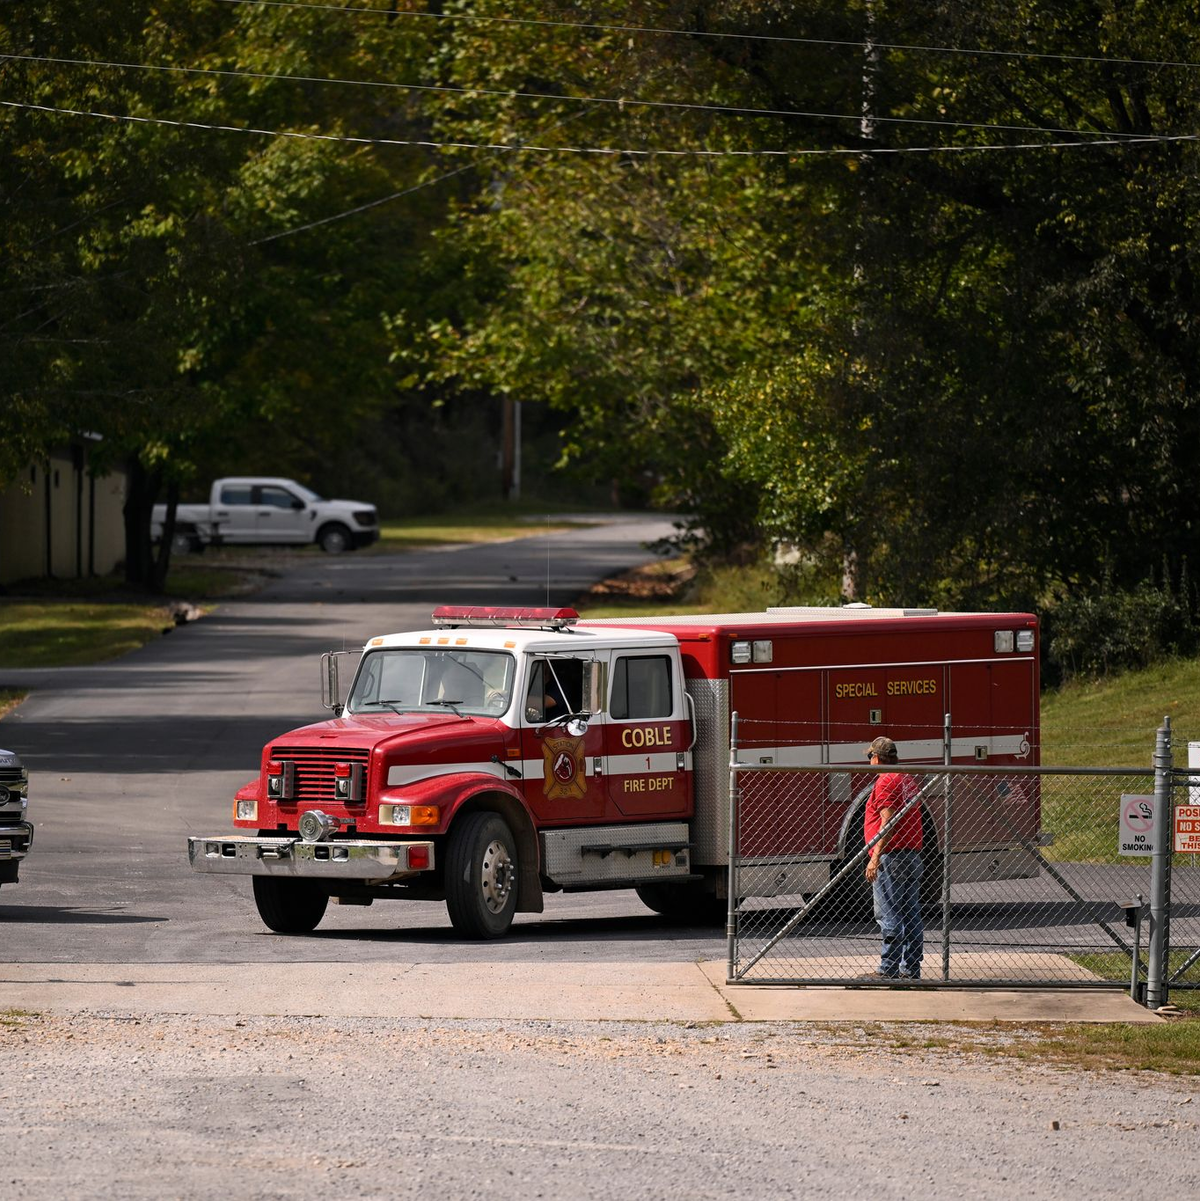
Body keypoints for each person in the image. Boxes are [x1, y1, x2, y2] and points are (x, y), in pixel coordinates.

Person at [860, 735, 924, 981]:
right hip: (911, 854)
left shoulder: (886, 780)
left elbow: (888, 821)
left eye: (870, 756)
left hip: (892, 856)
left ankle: (889, 968)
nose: (869, 761)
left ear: (877, 758)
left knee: (889, 914)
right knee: (910, 913)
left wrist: (875, 857)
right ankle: (911, 968)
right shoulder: (906, 778)